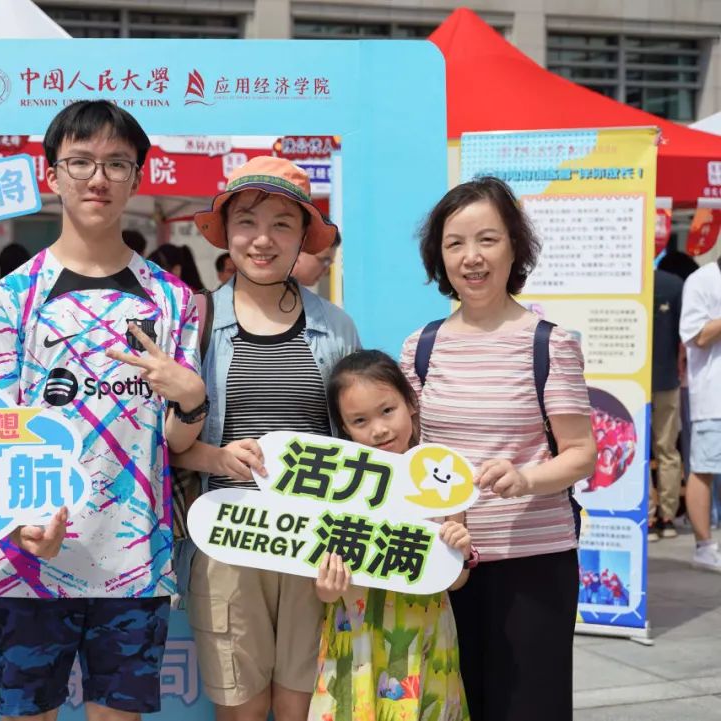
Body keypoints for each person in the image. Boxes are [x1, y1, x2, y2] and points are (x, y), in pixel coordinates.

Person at [0, 100, 206, 721]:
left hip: (135, 561)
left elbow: (177, 443)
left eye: (117, 163)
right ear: (53, 174)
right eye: (81, 162)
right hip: (29, 557)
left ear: (137, 176)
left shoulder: (172, 300)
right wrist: (10, 529)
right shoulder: (12, 298)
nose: (99, 178)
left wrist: (191, 399)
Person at [399, 176, 596, 721]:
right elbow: (411, 452)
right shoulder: (420, 347)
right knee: (450, 705)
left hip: (533, 564)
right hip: (444, 560)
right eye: (455, 243)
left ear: (514, 247)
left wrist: (526, 478)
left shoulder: (549, 343)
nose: (472, 257)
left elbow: (581, 452)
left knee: (529, 707)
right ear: (439, 256)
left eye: (487, 239)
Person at [174, 156, 360, 721]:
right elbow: (162, 444)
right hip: (227, 541)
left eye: (282, 224)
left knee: (306, 707)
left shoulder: (336, 327)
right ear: (226, 233)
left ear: (304, 236)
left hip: (315, 545)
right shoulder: (196, 321)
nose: (263, 239)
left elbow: (356, 443)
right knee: (242, 709)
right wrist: (217, 457)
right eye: (248, 222)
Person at [308, 350, 472, 721]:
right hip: (356, 636)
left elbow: (457, 580)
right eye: (360, 420)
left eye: (387, 411)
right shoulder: (337, 486)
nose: (379, 429)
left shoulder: (443, 479)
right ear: (344, 428)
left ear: (410, 403)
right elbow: (323, 589)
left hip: (424, 635)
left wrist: (461, 549)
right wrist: (327, 587)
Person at [679, 256, 721, 571]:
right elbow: (697, 336)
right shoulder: (702, 280)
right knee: (704, 468)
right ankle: (704, 547)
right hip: (713, 396)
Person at [649, 268, 684, 541]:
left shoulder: (623, 282)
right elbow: (683, 337)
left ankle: (648, 515)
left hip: (630, 380)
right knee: (667, 450)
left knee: (637, 449)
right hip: (667, 377)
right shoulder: (673, 283)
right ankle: (667, 517)